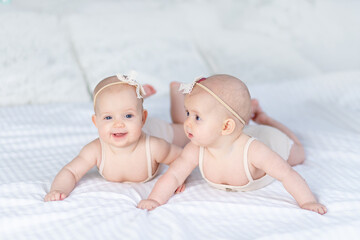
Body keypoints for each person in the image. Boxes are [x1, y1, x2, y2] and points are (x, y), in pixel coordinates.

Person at [137, 74, 327, 215]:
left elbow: (287, 174)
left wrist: (307, 202)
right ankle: (254, 115)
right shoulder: (196, 148)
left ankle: (266, 119)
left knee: (299, 153)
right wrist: (155, 199)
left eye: (197, 117)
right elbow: (174, 174)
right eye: (187, 113)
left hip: (269, 139)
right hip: (234, 135)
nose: (187, 123)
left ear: (226, 126)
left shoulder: (255, 151)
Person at [44, 72, 187, 201]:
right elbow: (71, 172)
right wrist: (58, 190)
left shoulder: (154, 146)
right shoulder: (95, 150)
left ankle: (176, 91)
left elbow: (182, 159)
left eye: (128, 115)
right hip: (137, 124)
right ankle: (136, 99)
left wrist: (178, 178)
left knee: (184, 129)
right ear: (96, 122)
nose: (118, 124)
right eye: (108, 118)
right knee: (125, 103)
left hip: (155, 129)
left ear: (143, 118)